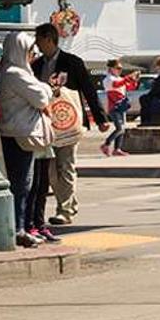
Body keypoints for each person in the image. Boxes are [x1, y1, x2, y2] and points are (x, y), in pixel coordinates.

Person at [31, 23, 108, 227]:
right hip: (46, 124)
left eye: (38, 38)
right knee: (50, 169)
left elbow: (88, 90)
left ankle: (64, 209)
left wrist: (100, 118)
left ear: (49, 38)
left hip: (69, 123)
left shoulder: (72, 62)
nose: (36, 43)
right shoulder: (36, 65)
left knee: (65, 164)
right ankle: (68, 203)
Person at [0, 31, 53, 248]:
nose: (33, 55)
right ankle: (18, 228)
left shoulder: (6, 72)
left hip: (13, 132)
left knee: (23, 182)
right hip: (20, 133)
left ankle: (20, 226)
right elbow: (41, 97)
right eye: (30, 51)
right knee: (22, 183)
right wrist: (47, 88)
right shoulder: (16, 74)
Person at [101, 60, 138, 156]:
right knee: (119, 128)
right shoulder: (108, 79)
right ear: (111, 68)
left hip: (121, 105)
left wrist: (134, 80)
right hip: (114, 106)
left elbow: (130, 88)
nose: (120, 70)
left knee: (122, 128)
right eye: (118, 68)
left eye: (121, 68)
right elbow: (116, 85)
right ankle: (106, 144)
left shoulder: (119, 78)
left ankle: (117, 149)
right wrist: (128, 77)